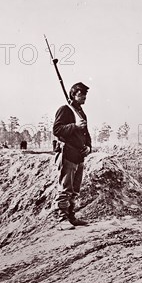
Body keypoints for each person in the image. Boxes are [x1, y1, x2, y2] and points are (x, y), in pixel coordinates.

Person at [52, 82, 92, 230]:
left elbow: (86, 134)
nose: (84, 98)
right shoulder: (66, 110)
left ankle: (71, 216)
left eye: (85, 95)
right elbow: (57, 129)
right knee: (65, 188)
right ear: (73, 95)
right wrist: (75, 126)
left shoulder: (81, 113)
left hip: (79, 156)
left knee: (75, 189)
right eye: (81, 95)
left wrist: (88, 147)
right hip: (67, 154)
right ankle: (61, 219)